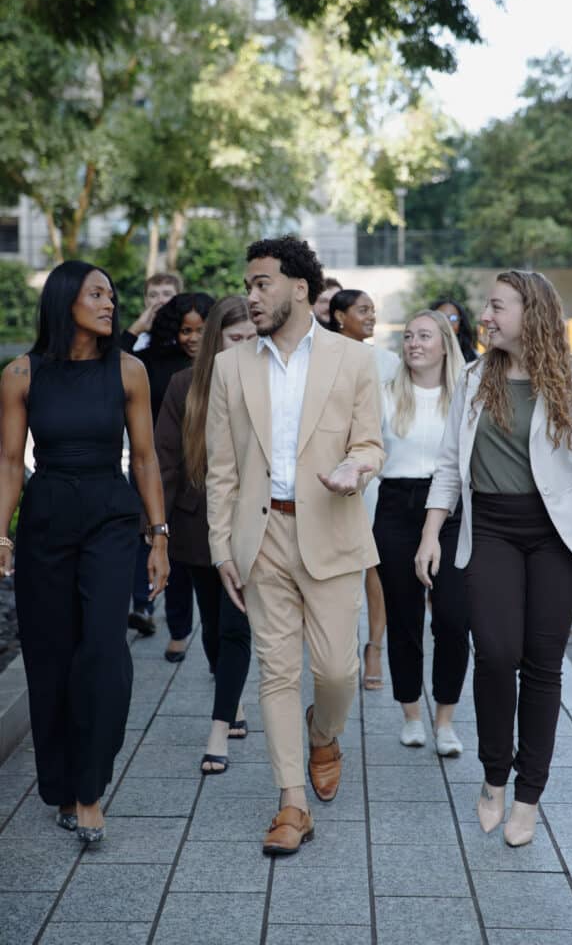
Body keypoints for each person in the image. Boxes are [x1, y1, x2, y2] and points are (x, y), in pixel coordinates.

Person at [416, 270, 572, 847]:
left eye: (496, 307)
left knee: (542, 664)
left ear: (529, 313)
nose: (485, 317)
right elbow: (448, 464)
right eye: (487, 307)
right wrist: (430, 534)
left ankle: (529, 796)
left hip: (556, 538)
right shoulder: (471, 378)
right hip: (488, 528)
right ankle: (494, 776)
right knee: (494, 653)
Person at [205, 236, 384, 856]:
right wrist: (222, 546)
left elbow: (371, 443)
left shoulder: (352, 360)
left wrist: (355, 469)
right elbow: (221, 468)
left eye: (262, 283)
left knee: (336, 670)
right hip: (262, 537)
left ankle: (325, 733)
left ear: (300, 288)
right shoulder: (231, 367)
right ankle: (291, 802)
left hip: (332, 529)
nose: (251, 295)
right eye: (248, 284)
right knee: (277, 673)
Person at [0, 260, 169, 845]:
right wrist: (1, 532)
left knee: (102, 652)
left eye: (111, 294)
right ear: (65, 299)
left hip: (109, 517)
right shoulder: (22, 373)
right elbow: (7, 462)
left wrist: (159, 536)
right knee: (51, 656)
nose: (108, 303)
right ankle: (65, 787)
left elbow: (144, 458)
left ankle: (91, 789)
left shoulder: (129, 369)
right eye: (96, 293)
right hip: (45, 518)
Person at [154, 297, 256, 773]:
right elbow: (165, 461)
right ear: (218, 340)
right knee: (213, 624)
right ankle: (230, 698)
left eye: (254, 339)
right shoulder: (184, 385)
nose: (246, 348)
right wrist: (156, 531)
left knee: (237, 623)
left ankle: (219, 728)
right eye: (237, 340)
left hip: (255, 520)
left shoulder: (273, 382)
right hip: (198, 523)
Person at [374, 310, 468, 754]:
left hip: (452, 512)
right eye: (408, 335)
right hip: (396, 507)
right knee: (404, 617)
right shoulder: (386, 395)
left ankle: (445, 719)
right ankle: (411, 713)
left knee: (452, 618)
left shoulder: (466, 396)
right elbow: (366, 452)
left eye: (424, 336)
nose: (414, 343)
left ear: (445, 344)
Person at [128, 292, 214, 652]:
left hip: (202, 472)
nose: (192, 337)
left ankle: (214, 639)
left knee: (206, 561)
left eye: (200, 329)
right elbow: (115, 351)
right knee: (169, 552)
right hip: (158, 465)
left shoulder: (221, 366)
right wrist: (141, 321)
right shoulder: (151, 363)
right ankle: (178, 630)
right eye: (184, 330)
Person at [329, 288, 400, 690]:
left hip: (376, 473)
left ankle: (374, 647)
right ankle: (339, 648)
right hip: (330, 474)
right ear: (340, 316)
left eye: (374, 310)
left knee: (375, 565)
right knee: (338, 566)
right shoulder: (321, 356)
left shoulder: (388, 362)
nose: (371, 316)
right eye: (362, 310)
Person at [121, 272, 184, 353]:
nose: (160, 300)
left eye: (167, 294)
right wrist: (135, 329)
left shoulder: (190, 335)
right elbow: (113, 361)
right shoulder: (137, 341)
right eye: (153, 295)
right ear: (146, 301)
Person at [431, 298, 479, 363]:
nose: (447, 323)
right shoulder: (422, 354)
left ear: (461, 324)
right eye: (441, 317)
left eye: (453, 318)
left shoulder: (476, 359)